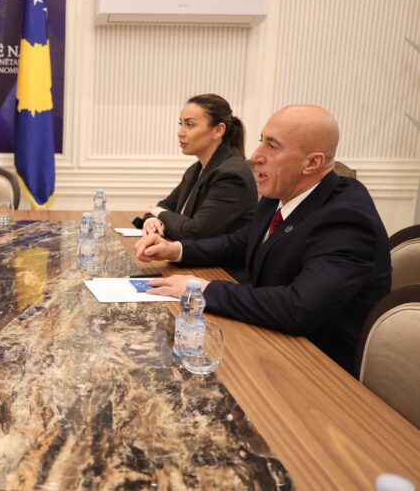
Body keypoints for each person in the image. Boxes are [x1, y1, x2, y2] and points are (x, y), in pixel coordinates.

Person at [136, 105, 391, 372]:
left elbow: (298, 307)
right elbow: (239, 243)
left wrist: (205, 289)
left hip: (318, 368)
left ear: (312, 163)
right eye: (261, 141)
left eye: (272, 146)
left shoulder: (347, 218)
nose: (256, 156)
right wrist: (176, 249)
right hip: (270, 341)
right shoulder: (279, 194)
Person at [134, 94, 257, 241]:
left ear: (218, 130)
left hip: (216, 257)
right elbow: (166, 205)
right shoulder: (196, 169)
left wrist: (156, 212)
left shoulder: (231, 175)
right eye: (181, 124)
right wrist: (151, 219)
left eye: (190, 124)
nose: (180, 133)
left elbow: (194, 232)